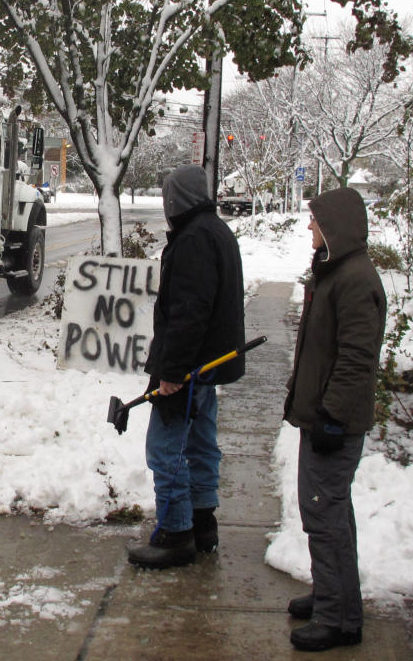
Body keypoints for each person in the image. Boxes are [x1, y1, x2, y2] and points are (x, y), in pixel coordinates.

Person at [283, 187, 386, 652]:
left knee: (325, 514)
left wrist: (332, 414)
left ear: (335, 226)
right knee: (328, 512)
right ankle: (332, 596)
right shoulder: (337, 272)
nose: (309, 227)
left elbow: (358, 358)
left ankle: (339, 618)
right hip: (324, 416)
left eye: (315, 221)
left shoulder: (355, 280)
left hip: (334, 422)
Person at [127, 164, 245, 569]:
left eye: (167, 198)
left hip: (190, 369)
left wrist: (172, 373)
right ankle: (202, 524)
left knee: (166, 450)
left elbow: (189, 313)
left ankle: (175, 534)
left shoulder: (194, 239)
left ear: (177, 200)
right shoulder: (216, 231)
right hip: (209, 367)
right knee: (200, 446)